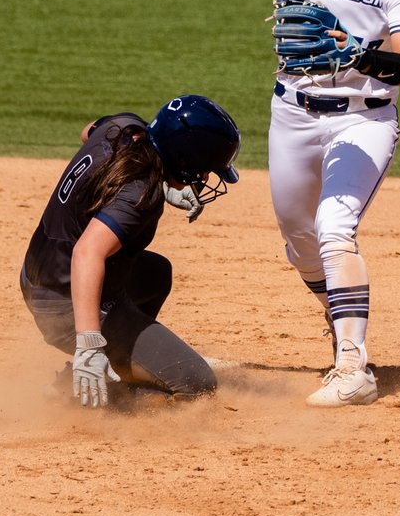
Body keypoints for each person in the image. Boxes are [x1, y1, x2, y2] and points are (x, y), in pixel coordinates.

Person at [116, 0, 400, 407]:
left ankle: (355, 367)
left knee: (335, 226)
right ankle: (341, 331)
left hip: (362, 118)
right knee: (302, 244)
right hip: (292, 116)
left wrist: (359, 55)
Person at [20, 94, 240, 408]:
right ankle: (100, 385)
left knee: (154, 273)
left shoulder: (125, 126)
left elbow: (88, 132)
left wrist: (162, 182)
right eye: (204, 169)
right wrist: (89, 343)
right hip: (61, 302)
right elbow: (87, 253)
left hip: (40, 271)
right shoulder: (140, 195)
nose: (205, 178)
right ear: (182, 159)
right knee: (196, 383)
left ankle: (115, 367)